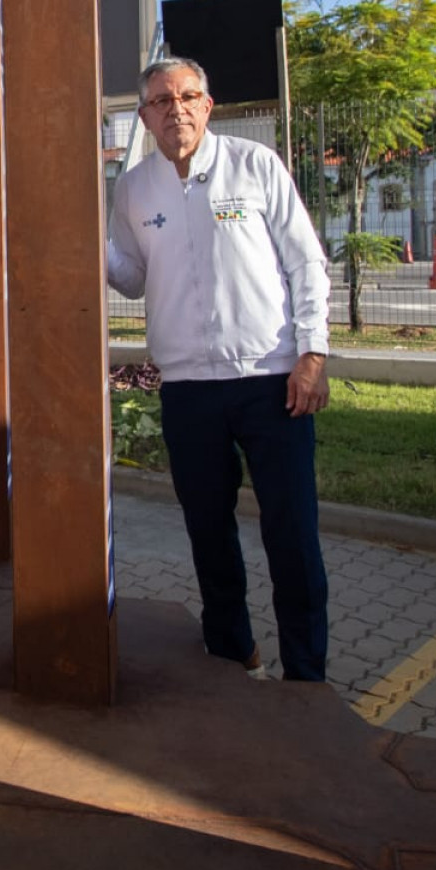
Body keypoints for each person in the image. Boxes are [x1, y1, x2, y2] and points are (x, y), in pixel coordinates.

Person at [106, 56, 332, 681]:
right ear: (145, 116)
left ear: (208, 105)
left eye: (188, 96)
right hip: (187, 391)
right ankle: (235, 659)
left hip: (272, 382)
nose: (175, 108)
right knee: (209, 535)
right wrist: (87, 241)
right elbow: (130, 277)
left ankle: (307, 675)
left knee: (292, 537)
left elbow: (307, 264)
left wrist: (312, 355)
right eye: (160, 100)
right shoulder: (133, 189)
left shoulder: (255, 166)